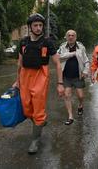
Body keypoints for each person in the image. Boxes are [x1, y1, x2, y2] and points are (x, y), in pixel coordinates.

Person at [12, 13, 64, 154]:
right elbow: (19, 63)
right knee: (27, 109)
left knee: (38, 109)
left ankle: (35, 140)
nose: (38, 28)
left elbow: (58, 64)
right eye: (35, 25)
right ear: (30, 27)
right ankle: (39, 122)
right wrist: (17, 80)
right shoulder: (23, 42)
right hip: (24, 76)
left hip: (40, 76)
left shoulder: (48, 43)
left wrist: (60, 83)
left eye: (40, 25)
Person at [57, 30, 90, 125]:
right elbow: (58, 56)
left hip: (78, 76)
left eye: (73, 35)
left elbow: (86, 61)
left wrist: (85, 71)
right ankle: (70, 116)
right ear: (66, 37)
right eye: (69, 35)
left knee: (81, 96)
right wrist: (72, 54)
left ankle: (80, 105)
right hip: (66, 76)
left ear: (75, 37)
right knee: (67, 95)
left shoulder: (81, 47)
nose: (71, 37)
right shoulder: (62, 46)